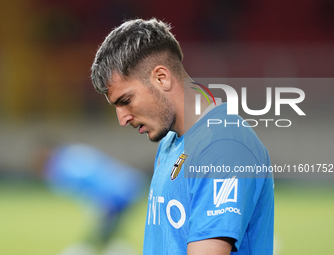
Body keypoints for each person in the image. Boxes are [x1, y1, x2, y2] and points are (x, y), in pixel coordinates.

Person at [91, 18, 274, 255]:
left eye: (126, 101)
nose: (122, 119)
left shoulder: (223, 146)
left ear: (161, 78)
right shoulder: (170, 141)